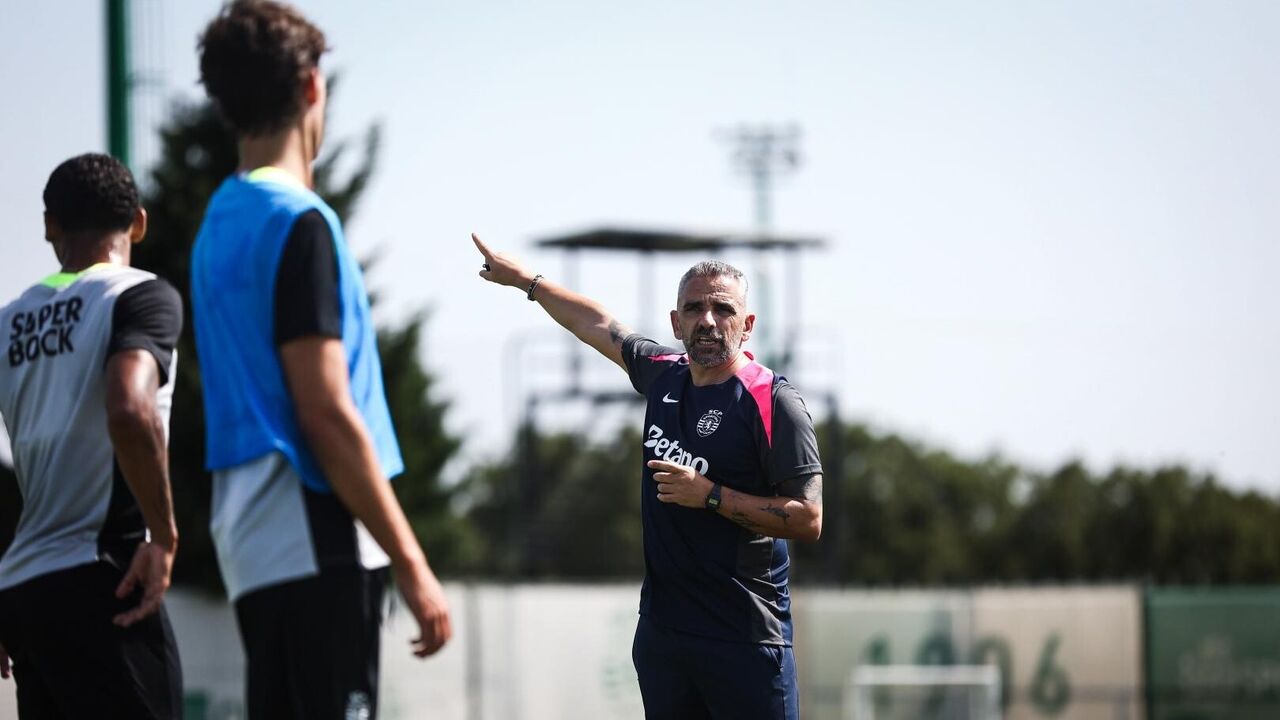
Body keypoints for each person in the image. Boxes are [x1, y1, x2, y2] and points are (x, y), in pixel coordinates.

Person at [192, 1, 451, 717]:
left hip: (248, 537)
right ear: (311, 86)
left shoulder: (216, 223)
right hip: (315, 529)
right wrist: (411, 561)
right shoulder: (300, 221)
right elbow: (325, 411)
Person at [473, 234, 823, 719]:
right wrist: (527, 282)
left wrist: (711, 496)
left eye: (722, 309)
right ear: (675, 323)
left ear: (747, 325)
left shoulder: (773, 401)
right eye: (694, 308)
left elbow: (807, 518)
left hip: (744, 639)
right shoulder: (662, 372)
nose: (707, 320)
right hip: (665, 636)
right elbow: (595, 322)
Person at [0, 153, 184, 718]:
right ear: (138, 223)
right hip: (109, 580)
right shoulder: (140, 295)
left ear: (50, 226)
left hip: (25, 592)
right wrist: (164, 532)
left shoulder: (8, 320)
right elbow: (130, 409)